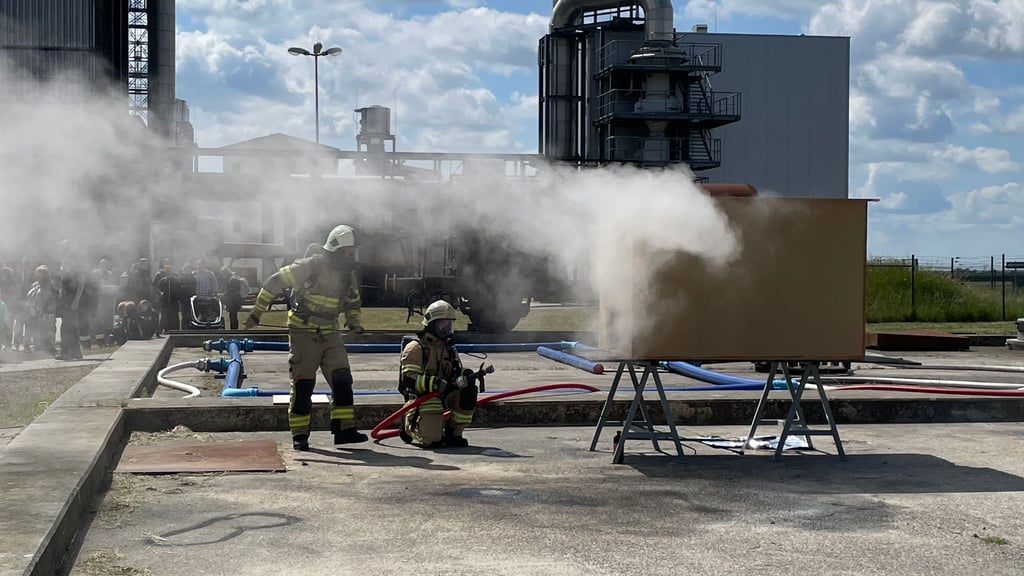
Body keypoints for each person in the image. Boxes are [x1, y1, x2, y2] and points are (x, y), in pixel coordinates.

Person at [244, 224, 367, 451]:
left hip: (330, 332)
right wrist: (256, 312)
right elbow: (275, 282)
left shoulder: (347, 275)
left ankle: (344, 430)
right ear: (338, 250)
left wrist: (354, 321)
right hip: (304, 333)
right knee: (303, 384)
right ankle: (300, 435)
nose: (353, 256)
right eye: (350, 252)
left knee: (342, 379)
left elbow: (352, 302)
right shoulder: (310, 266)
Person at [398, 299, 477, 448]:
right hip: (423, 397)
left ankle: (454, 432)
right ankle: (409, 426)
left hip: (445, 393)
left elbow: (454, 370)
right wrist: (434, 383)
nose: (447, 328)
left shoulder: (448, 347)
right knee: (432, 440)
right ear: (431, 324)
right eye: (443, 324)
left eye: (449, 324)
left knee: (469, 392)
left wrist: (464, 375)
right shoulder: (416, 348)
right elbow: (409, 380)